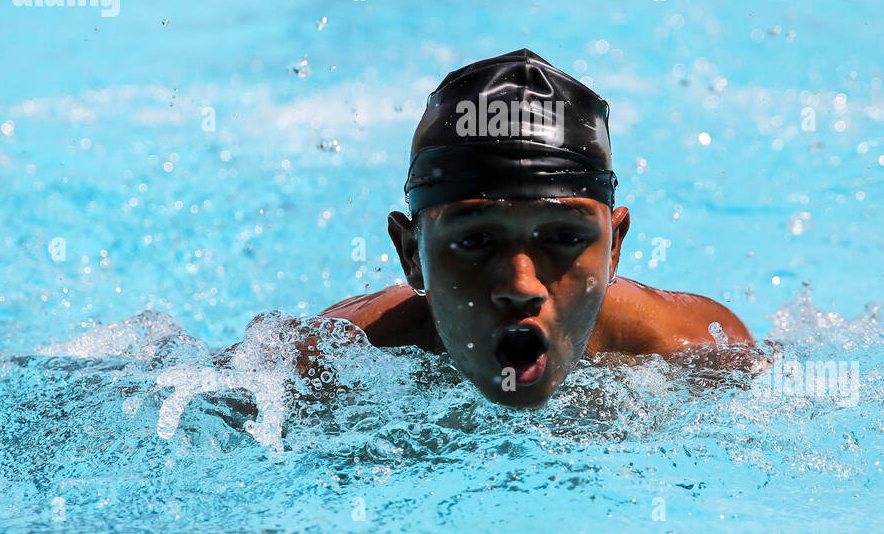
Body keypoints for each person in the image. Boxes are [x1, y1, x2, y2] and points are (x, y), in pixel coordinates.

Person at [317, 49, 759, 408]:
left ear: (613, 248)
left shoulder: (702, 358)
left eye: (563, 238)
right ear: (412, 253)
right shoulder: (323, 373)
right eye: (475, 240)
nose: (522, 285)